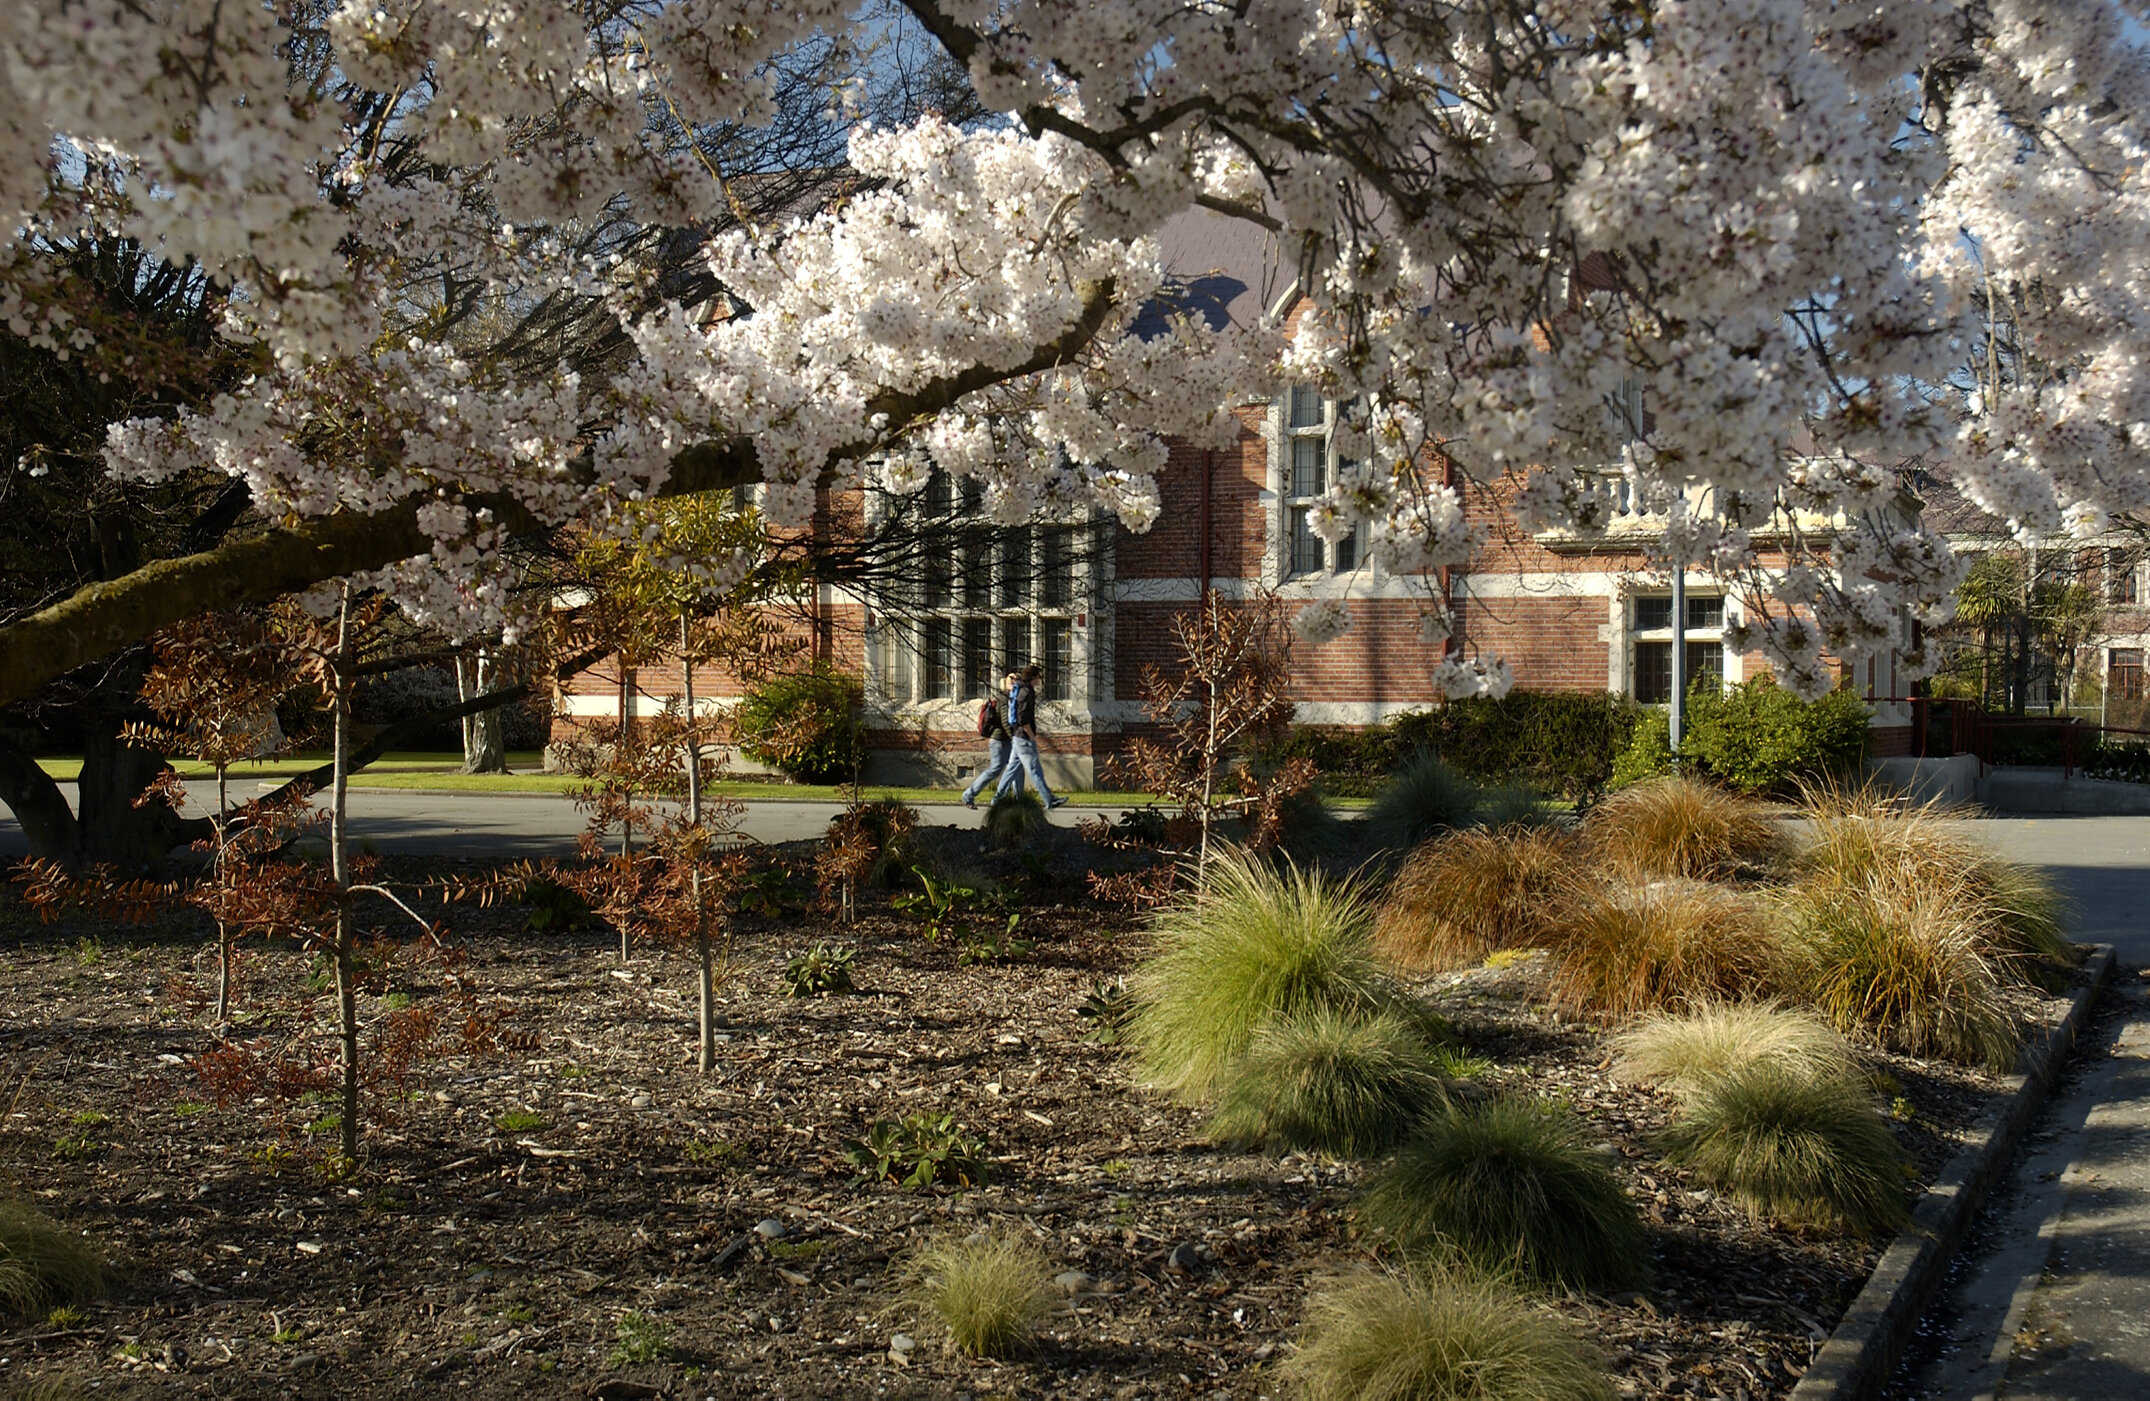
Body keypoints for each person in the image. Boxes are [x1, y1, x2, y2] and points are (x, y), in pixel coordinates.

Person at [996, 663, 1067, 808]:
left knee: (1011, 769)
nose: (1040, 679)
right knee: (1035, 769)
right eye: (1038, 676)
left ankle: (997, 799)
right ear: (1033, 677)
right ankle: (1049, 799)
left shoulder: (1021, 688)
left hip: (1017, 736)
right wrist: (1031, 736)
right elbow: (1023, 718)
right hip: (1024, 737)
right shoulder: (1027, 692)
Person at [961, 672, 1023, 809]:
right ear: (1008, 683)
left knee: (1017, 768)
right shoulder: (1003, 699)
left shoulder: (1011, 699)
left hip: (1005, 740)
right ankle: (969, 795)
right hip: (999, 741)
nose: (1017, 684)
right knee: (996, 769)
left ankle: (1018, 802)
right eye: (1014, 681)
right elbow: (1006, 722)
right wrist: (1015, 739)